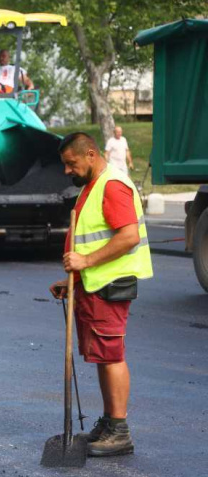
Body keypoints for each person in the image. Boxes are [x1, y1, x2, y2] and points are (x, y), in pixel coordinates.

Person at [50, 132, 153, 457]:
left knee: (111, 355)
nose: (68, 171)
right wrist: (73, 279)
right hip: (93, 283)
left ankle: (119, 430)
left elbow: (128, 237)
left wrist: (85, 262)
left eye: (72, 163)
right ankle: (110, 422)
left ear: (91, 154)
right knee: (102, 356)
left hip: (110, 284)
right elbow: (93, 239)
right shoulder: (92, 188)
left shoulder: (112, 185)